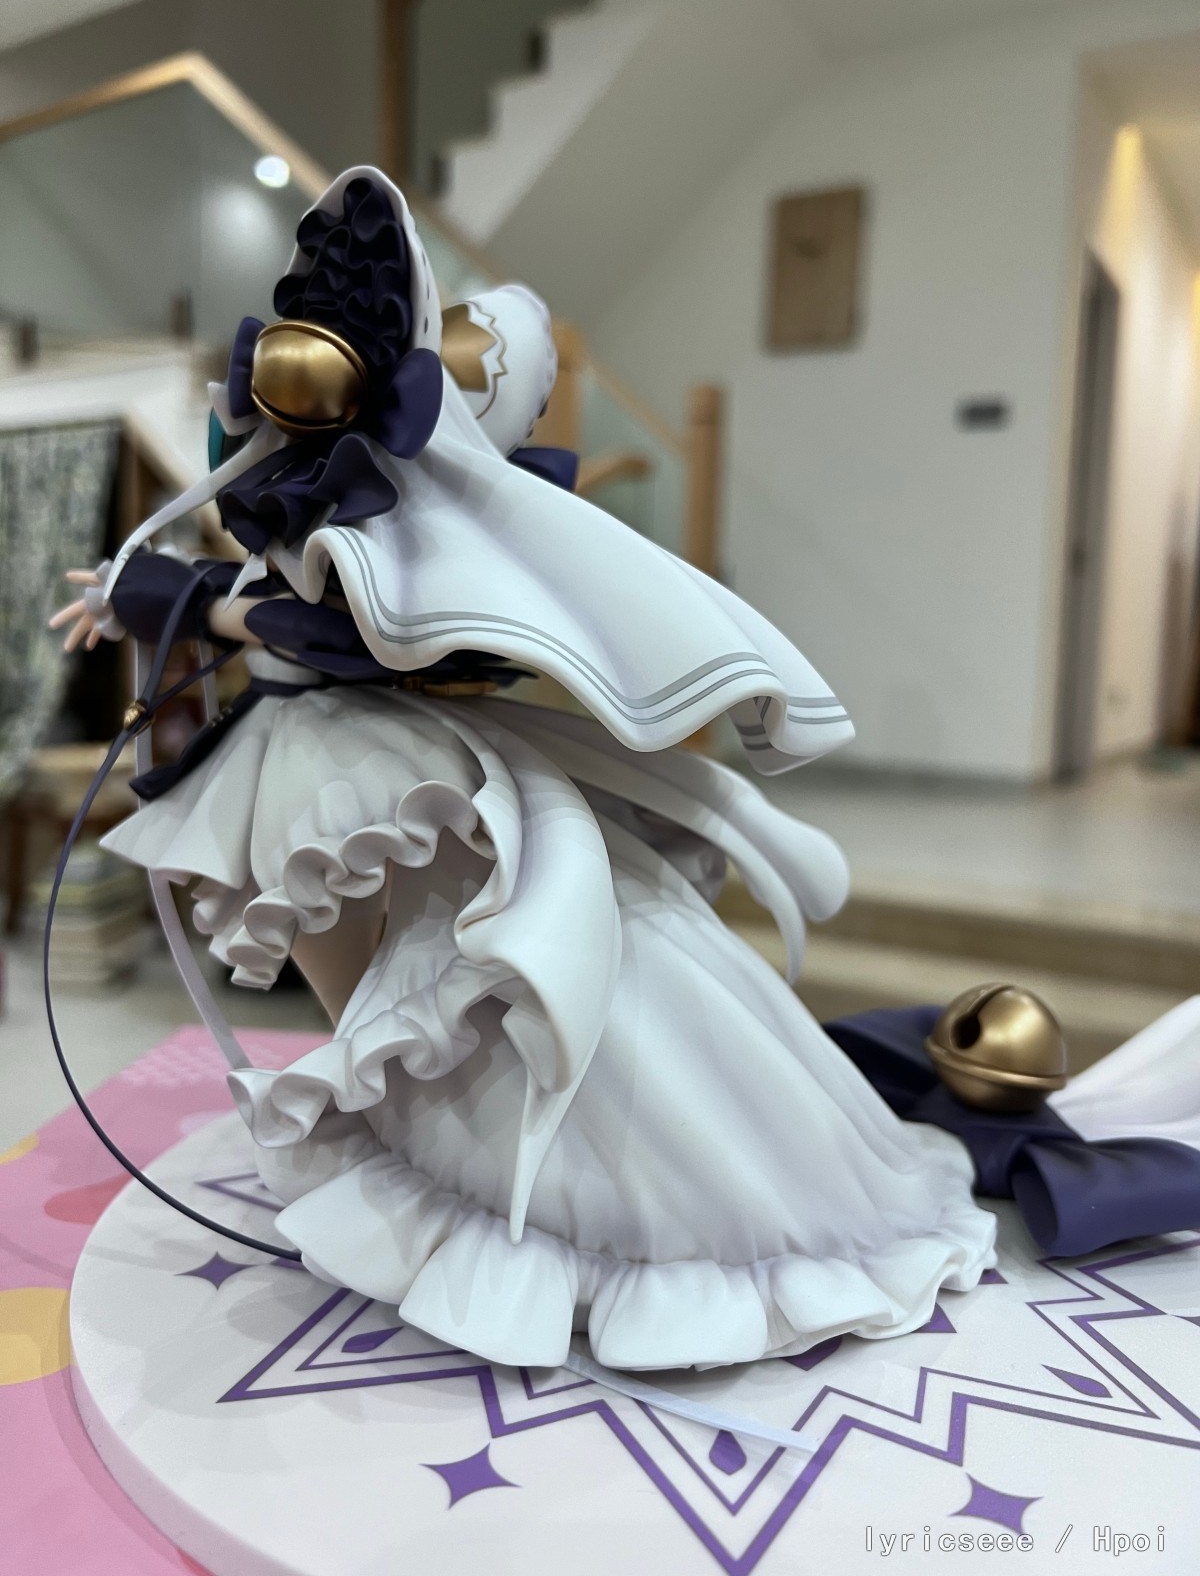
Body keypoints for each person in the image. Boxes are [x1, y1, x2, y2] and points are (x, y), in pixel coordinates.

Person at [51, 167, 995, 1370]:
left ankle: (494, 1199)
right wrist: (155, 594)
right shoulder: (343, 501)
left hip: (368, 763)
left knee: (457, 979)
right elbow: (271, 585)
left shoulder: (433, 540)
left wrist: (192, 603)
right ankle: (386, 1162)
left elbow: (336, 626)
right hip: (318, 752)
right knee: (383, 982)